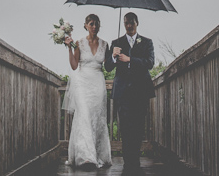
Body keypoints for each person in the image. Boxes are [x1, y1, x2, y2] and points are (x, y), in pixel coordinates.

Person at [104, 12, 155, 173]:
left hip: (140, 92)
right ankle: (128, 161)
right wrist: (113, 56)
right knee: (125, 127)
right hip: (123, 93)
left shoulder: (147, 42)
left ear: (137, 23)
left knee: (138, 127)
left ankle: (135, 159)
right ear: (124, 24)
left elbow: (150, 63)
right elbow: (108, 68)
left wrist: (130, 60)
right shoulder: (116, 43)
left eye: (131, 22)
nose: (128, 25)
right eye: (126, 22)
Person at [63, 13, 112, 169]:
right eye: (91, 23)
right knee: (83, 115)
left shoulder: (105, 44)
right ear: (85, 25)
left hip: (98, 83)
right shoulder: (79, 43)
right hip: (83, 84)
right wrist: (69, 49)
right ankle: (85, 156)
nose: (94, 26)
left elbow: (109, 65)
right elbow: (74, 66)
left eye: (97, 23)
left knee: (98, 118)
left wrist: (115, 56)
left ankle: (99, 155)